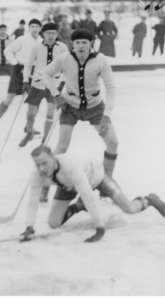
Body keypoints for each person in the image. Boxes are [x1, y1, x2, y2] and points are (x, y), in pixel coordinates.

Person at [20, 146, 165, 243]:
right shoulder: (37, 174)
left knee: (130, 209)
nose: (41, 168)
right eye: (37, 164)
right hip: (67, 184)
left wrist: (99, 228)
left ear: (53, 158)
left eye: (44, 163)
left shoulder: (70, 167)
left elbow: (88, 196)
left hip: (96, 175)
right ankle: (79, 206)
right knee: (54, 223)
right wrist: (29, 227)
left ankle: (151, 199)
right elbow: (32, 201)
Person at [41, 28, 119, 202]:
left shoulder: (101, 60)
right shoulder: (65, 58)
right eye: (77, 43)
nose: (81, 46)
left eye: (85, 42)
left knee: (113, 142)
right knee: (62, 147)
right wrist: (56, 95)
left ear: (91, 43)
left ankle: (106, 184)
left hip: (94, 107)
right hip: (70, 106)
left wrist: (106, 115)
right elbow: (46, 73)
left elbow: (111, 89)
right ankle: (45, 186)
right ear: (72, 44)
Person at [0, 19, 43, 136]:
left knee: (35, 102)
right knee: (9, 98)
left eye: (37, 26)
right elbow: (8, 50)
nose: (34, 29)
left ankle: (29, 127)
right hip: (19, 71)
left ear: (40, 28)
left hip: (34, 73)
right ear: (28, 27)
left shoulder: (42, 41)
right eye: (32, 26)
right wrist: (15, 64)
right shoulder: (22, 39)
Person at [20, 22, 68, 147]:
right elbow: (28, 65)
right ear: (43, 34)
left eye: (53, 33)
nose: (51, 36)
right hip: (37, 83)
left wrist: (63, 82)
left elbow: (68, 67)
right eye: (48, 33)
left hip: (54, 85)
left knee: (50, 113)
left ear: (57, 34)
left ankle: (44, 140)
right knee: (31, 113)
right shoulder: (36, 47)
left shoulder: (62, 47)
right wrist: (26, 81)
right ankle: (29, 133)